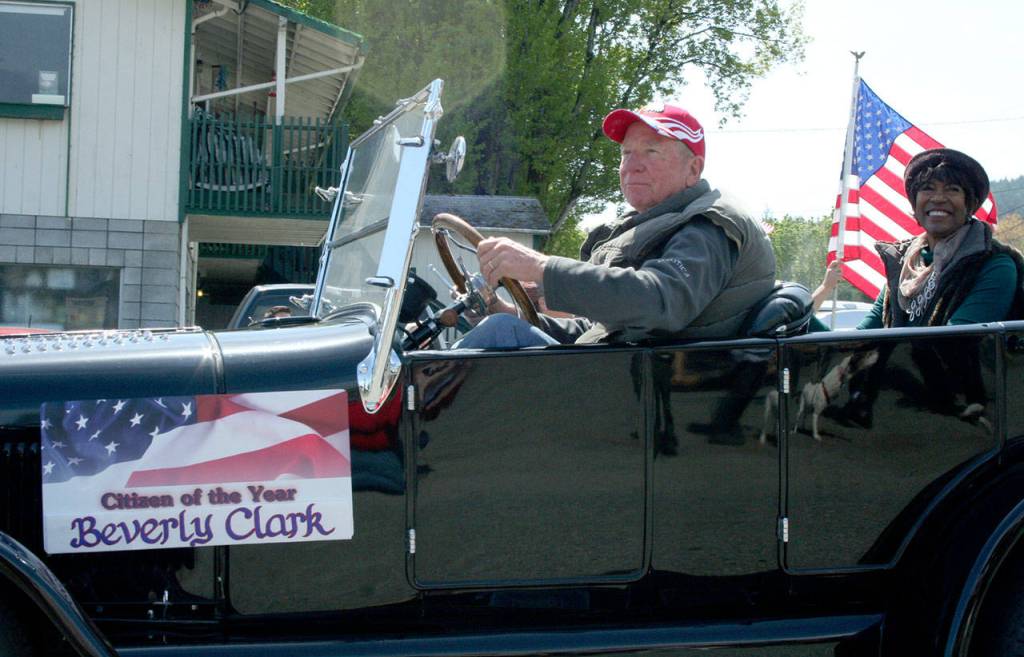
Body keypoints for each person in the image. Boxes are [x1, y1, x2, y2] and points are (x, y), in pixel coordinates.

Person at [457, 103, 776, 348]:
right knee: (502, 327)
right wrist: (504, 310)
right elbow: (601, 330)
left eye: (651, 151)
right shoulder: (654, 225)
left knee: (498, 336)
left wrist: (542, 266)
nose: (632, 166)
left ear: (693, 169)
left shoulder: (709, 225)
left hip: (657, 392)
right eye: (626, 153)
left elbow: (658, 302)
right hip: (621, 377)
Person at [814, 148, 1023, 330]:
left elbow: (956, 345)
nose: (938, 198)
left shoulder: (994, 265)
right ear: (915, 203)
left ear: (971, 204)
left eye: (953, 190)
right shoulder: (901, 269)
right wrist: (797, 317)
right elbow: (857, 347)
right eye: (927, 188)